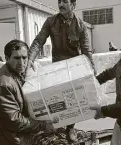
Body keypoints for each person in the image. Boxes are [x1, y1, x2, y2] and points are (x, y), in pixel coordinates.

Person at [28, 0, 96, 142]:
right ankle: (59, 125)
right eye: (59, 1)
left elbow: (86, 51)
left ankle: (70, 128)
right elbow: (38, 41)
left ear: (73, 5)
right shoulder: (50, 21)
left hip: (74, 69)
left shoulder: (81, 26)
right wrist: (30, 59)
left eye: (65, 1)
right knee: (57, 99)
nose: (61, 4)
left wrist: (92, 70)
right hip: (57, 68)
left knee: (73, 100)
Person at [0, 40, 55, 145]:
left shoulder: (15, 72)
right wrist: (42, 125)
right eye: (16, 58)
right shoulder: (4, 83)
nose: (21, 62)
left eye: (24, 58)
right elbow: (14, 120)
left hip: (21, 136)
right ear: (6, 59)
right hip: (12, 139)